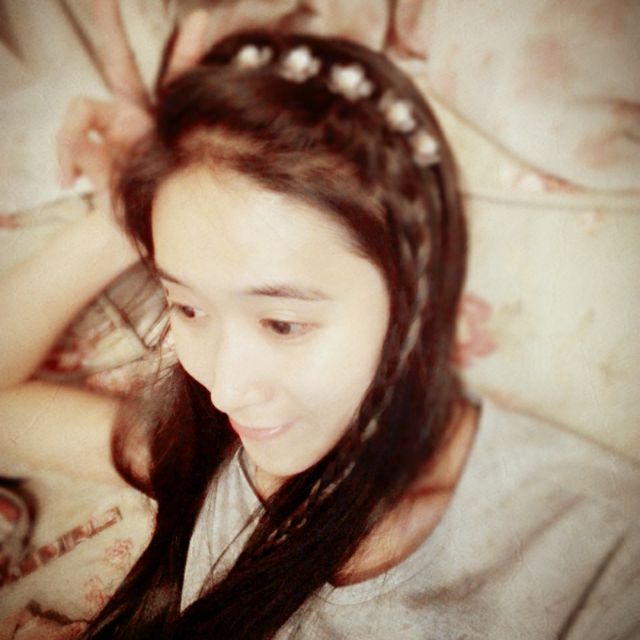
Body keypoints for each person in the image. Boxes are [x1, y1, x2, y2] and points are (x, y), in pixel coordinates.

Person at [1, 26, 639, 640]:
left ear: (417, 297)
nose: (225, 391)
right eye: (188, 308)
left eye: (283, 323)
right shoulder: (220, 454)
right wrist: (131, 209)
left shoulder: (597, 556)